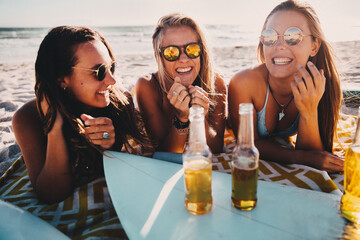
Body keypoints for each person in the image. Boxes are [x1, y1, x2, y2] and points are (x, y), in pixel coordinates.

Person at [12, 26, 148, 203]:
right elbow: (51, 194)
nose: (112, 80)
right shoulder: (27, 118)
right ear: (62, 79)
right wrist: (54, 129)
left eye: (111, 67)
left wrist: (108, 147)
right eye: (99, 72)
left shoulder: (119, 101)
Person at [228, 0, 343, 172]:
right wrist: (297, 157)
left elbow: (315, 157)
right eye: (270, 37)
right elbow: (249, 144)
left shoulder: (321, 84)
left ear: (314, 46)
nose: (280, 46)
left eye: (293, 37)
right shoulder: (243, 83)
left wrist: (309, 111)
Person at [136, 13, 227, 153]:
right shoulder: (147, 86)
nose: (183, 59)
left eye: (192, 49)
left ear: (202, 52)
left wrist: (199, 116)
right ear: (160, 56)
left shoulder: (216, 83)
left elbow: (215, 149)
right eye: (171, 52)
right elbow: (165, 153)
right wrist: (182, 118)